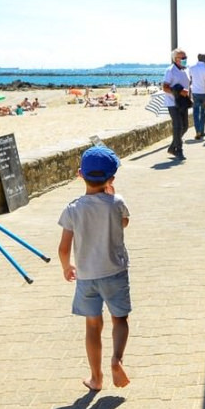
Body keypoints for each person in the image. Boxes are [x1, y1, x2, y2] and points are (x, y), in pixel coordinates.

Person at [57, 146, 131, 391]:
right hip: (115, 272)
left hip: (87, 276)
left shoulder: (73, 209)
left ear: (80, 174)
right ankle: (117, 359)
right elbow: (124, 223)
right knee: (119, 319)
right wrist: (112, 194)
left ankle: (96, 377)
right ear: (111, 179)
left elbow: (63, 248)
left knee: (92, 326)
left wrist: (67, 267)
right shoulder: (116, 203)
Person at [162, 48, 191, 159]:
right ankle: (178, 150)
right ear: (175, 59)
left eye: (186, 57)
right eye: (182, 58)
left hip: (183, 102)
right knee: (178, 126)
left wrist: (188, 96)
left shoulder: (186, 70)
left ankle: (172, 147)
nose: (185, 59)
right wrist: (178, 92)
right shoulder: (170, 70)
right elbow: (165, 87)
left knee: (185, 126)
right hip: (172, 102)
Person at [189, 54, 205, 140]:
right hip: (204, 93)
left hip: (195, 93)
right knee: (203, 113)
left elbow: (189, 81)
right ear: (204, 59)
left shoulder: (191, 68)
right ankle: (202, 131)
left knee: (195, 113)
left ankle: (197, 131)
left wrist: (189, 94)